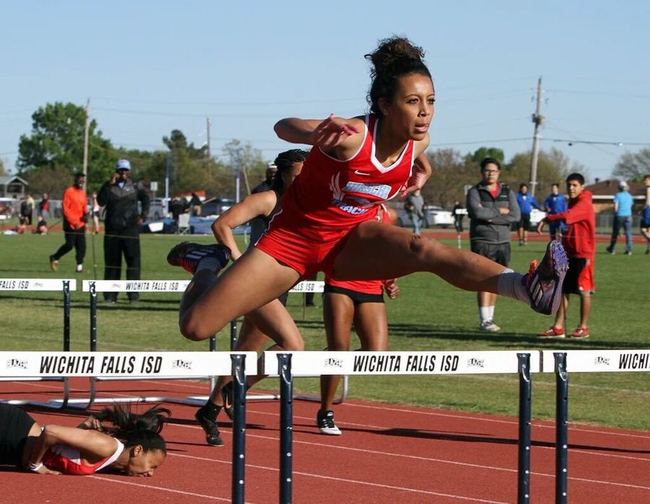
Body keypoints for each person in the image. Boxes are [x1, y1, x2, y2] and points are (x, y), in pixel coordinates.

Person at [167, 36, 567, 416]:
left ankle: (527, 288)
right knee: (196, 327)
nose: (425, 111)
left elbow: (415, 157)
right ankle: (204, 262)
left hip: (350, 240)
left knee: (422, 250)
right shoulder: (353, 136)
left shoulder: (418, 143)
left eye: (431, 101)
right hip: (292, 242)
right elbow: (282, 126)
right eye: (413, 102)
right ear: (385, 105)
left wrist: (422, 171)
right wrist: (312, 133)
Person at [192, 149, 307, 446]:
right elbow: (222, 224)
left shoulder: (307, 203)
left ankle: (210, 410)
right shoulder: (269, 199)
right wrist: (239, 260)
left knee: (245, 352)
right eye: (298, 174)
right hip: (256, 285)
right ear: (283, 174)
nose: (305, 179)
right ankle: (238, 390)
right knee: (293, 344)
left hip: (278, 287)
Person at [318, 205, 399, 436]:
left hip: (371, 285)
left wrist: (389, 280)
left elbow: (386, 250)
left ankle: (329, 360)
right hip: (340, 282)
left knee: (376, 353)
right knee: (339, 349)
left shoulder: (388, 214)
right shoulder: (341, 207)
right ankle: (325, 411)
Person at [0, 402, 168, 476]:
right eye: (152, 465)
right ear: (138, 450)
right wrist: (36, 465)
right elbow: (50, 432)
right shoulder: (107, 446)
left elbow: (65, 451)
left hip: (11, 450)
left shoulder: (110, 460)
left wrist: (81, 430)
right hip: (11, 432)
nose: (150, 473)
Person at [537, 173, 595, 339]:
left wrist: (548, 218)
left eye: (575, 185)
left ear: (582, 187)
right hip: (570, 253)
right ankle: (558, 327)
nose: (571, 188)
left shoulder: (584, 202)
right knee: (563, 290)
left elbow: (568, 216)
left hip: (584, 254)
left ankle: (583, 327)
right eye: (569, 185)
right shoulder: (574, 201)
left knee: (584, 290)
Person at [466, 158, 520, 332]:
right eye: (487, 171)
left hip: (503, 242)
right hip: (482, 241)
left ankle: (491, 317)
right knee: (483, 279)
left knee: (498, 280)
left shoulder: (507, 191)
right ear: (482, 172)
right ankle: (484, 320)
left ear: (499, 173)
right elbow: (476, 212)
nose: (490, 174)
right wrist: (499, 212)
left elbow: (515, 215)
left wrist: (489, 216)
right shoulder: (475, 191)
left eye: (494, 171)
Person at [97, 159, 150, 303]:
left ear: (129, 171)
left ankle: (133, 296)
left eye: (125, 170)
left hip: (130, 229)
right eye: (121, 170)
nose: (123, 173)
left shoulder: (135, 186)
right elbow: (101, 201)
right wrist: (108, 184)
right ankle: (110, 295)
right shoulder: (109, 186)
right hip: (112, 229)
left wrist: (143, 215)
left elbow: (146, 199)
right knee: (112, 263)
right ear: (116, 171)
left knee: (133, 262)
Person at [49, 173, 89, 273]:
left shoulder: (83, 193)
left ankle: (79, 267)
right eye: (80, 179)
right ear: (75, 179)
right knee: (70, 245)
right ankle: (55, 257)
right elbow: (66, 209)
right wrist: (73, 221)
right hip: (70, 224)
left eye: (83, 180)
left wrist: (86, 214)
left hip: (80, 224)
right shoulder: (69, 192)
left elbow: (84, 206)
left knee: (82, 246)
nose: (81, 181)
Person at [606, 181, 634, 255]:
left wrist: (615, 213)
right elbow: (631, 205)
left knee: (615, 233)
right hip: (628, 215)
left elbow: (616, 206)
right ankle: (629, 250)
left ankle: (612, 249)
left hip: (619, 215)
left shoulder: (617, 195)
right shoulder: (629, 196)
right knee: (628, 233)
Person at [641, 174, 650, 255]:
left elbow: (647, 202)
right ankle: (648, 249)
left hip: (648, 211)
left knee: (643, 230)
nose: (644, 182)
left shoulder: (648, 189)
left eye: (646, 180)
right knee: (649, 231)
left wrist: (643, 209)